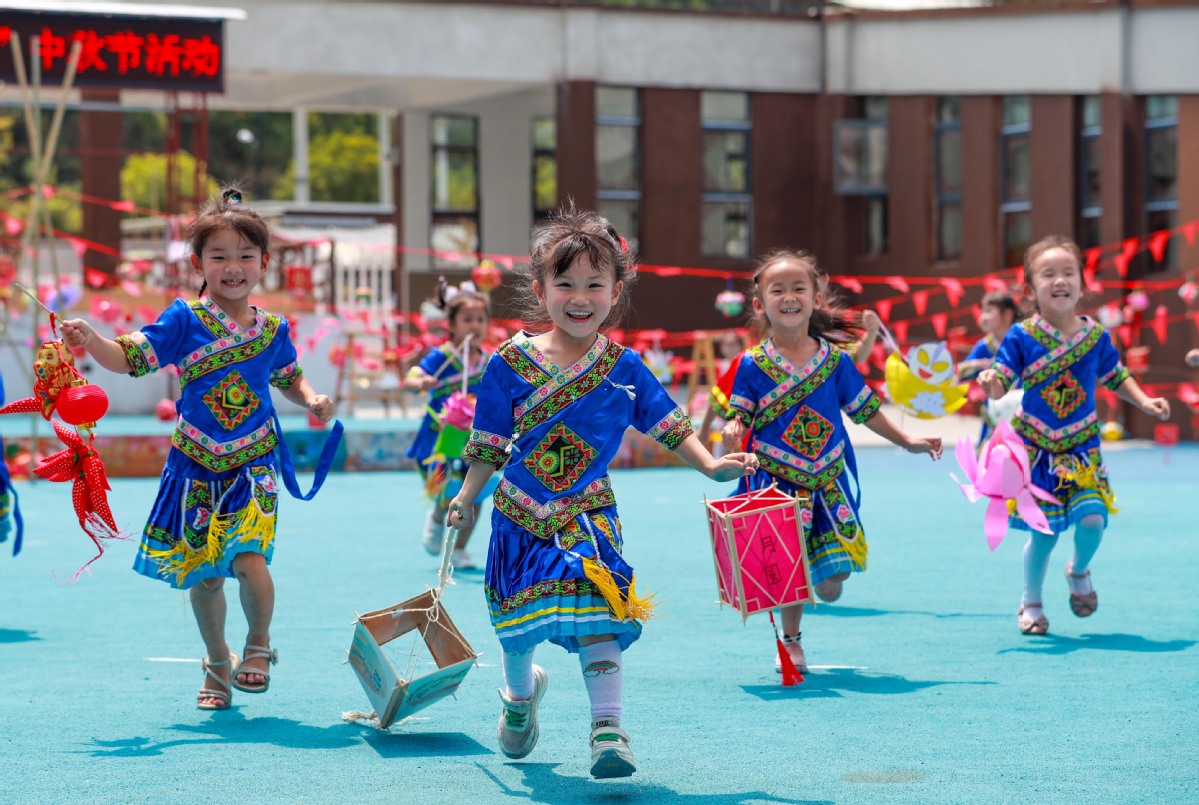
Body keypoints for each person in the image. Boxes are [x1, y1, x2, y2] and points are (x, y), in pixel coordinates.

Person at [445, 206, 757, 779]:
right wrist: (466, 497)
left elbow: (671, 427)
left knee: (600, 614)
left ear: (616, 291)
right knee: (519, 627)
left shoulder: (626, 368)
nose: (580, 296)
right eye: (565, 284)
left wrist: (712, 465)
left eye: (595, 283)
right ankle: (518, 700)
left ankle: (607, 730)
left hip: (589, 517)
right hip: (519, 515)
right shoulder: (508, 362)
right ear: (541, 290)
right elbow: (487, 443)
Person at [60, 187, 338, 711]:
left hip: (254, 462)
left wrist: (312, 399)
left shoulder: (274, 329)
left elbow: (289, 377)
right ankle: (216, 662)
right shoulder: (182, 320)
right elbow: (130, 357)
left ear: (263, 263)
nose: (233, 266)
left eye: (244, 255)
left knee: (250, 558)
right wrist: (92, 341)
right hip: (194, 464)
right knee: (206, 575)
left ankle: (258, 647)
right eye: (219, 256)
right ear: (197, 263)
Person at [722, 249, 942, 675]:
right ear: (759, 303)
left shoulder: (837, 362)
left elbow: (866, 410)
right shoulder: (751, 365)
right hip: (776, 485)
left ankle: (821, 584)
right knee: (791, 568)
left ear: (816, 296)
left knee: (833, 580)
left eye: (799, 288)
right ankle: (792, 640)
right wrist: (733, 429)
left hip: (828, 481)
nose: (789, 296)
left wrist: (909, 439)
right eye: (778, 289)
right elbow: (740, 413)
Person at [977, 235, 1170, 636]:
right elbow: (1002, 381)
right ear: (1031, 289)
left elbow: (1116, 376)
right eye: (1048, 274)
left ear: (1083, 285)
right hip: (1037, 452)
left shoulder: (1096, 336)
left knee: (1093, 520)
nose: (1059, 280)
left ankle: (1078, 569)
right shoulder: (1021, 336)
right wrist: (991, 382)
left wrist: (1144, 401)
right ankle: (1031, 603)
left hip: (1083, 450)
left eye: (1068, 272)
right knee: (1043, 533)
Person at [403, 280, 492, 568]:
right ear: (452, 324)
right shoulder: (441, 357)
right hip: (440, 438)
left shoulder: (489, 361)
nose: (474, 326)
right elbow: (410, 379)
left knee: (476, 491)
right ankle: (438, 516)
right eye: (467, 319)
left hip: (474, 439)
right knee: (445, 488)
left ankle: (459, 548)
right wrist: (421, 381)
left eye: (480, 319)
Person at [959, 290, 1023, 445]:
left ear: (1007, 314)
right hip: (994, 414)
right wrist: (978, 366)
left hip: (1023, 414)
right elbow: (961, 371)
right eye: (981, 311)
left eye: (988, 311)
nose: (982, 317)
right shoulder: (985, 346)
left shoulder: (1023, 341)